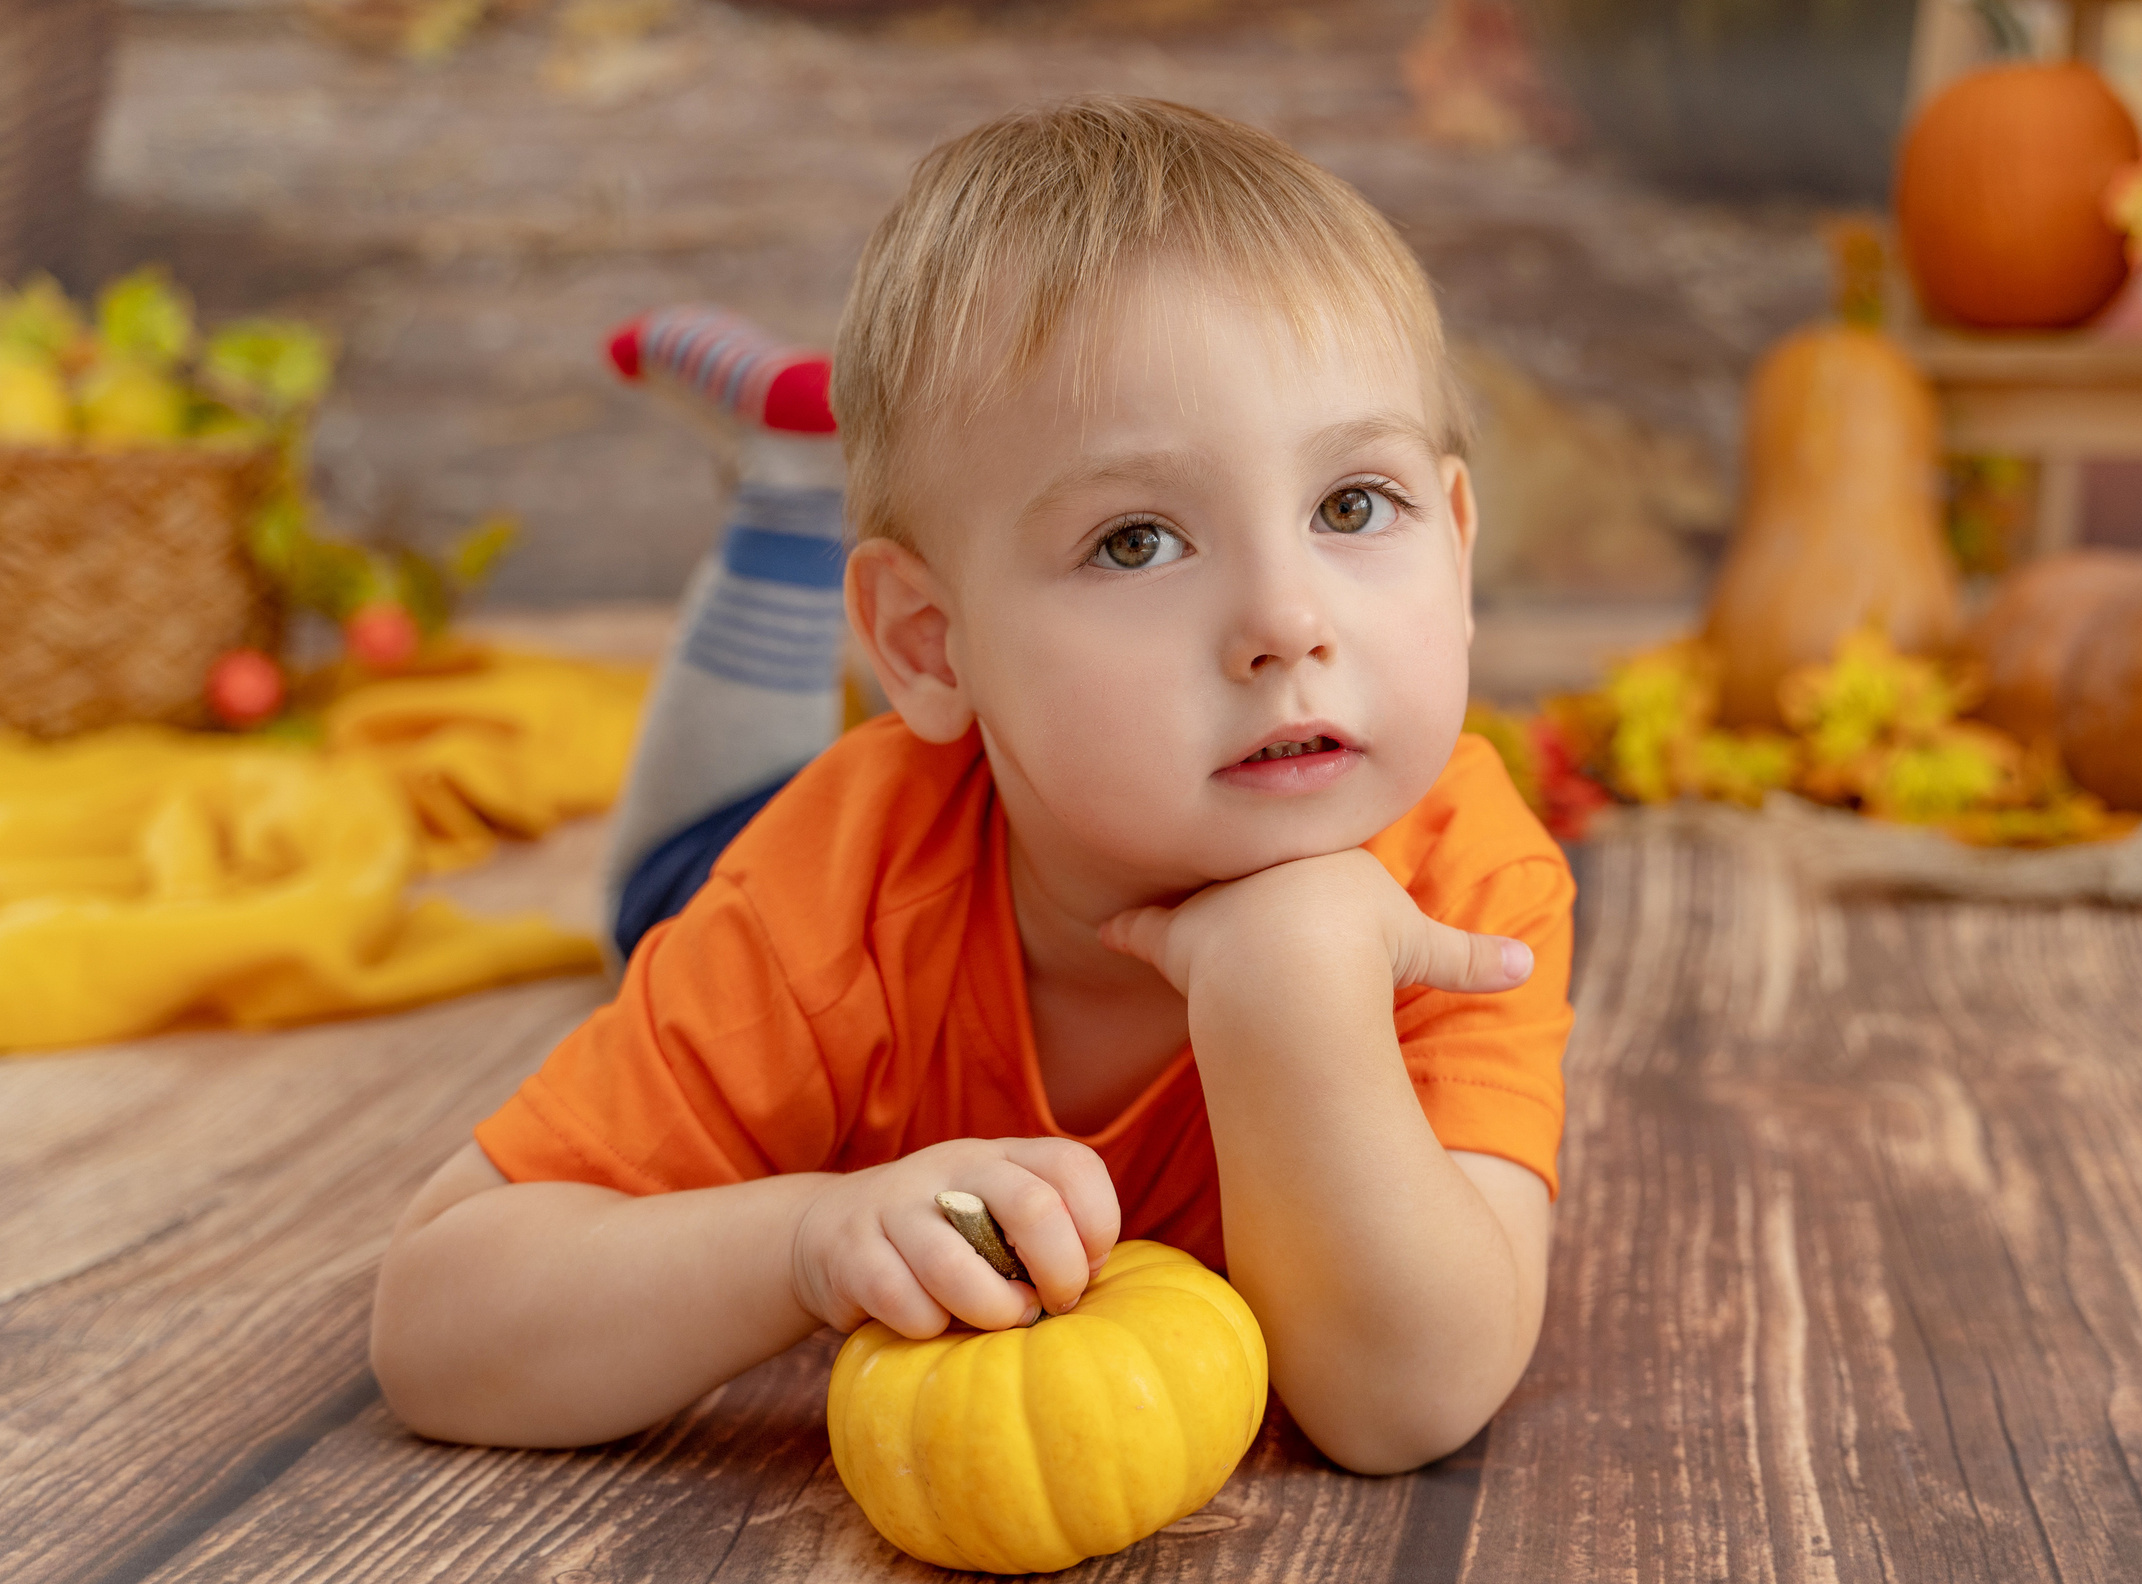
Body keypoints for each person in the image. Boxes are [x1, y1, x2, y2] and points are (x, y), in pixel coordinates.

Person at [369, 94, 1575, 1477]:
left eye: (1353, 506)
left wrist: (1294, 977)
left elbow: (1402, 1401)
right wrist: (804, 1239)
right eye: (1136, 540)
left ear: (1460, 544)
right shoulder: (824, 903)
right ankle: (779, 492)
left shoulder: (1471, 887)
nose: (1288, 622)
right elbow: (437, 1323)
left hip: (982, 763)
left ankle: (795, 482)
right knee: (666, 869)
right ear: (928, 645)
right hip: (759, 843)